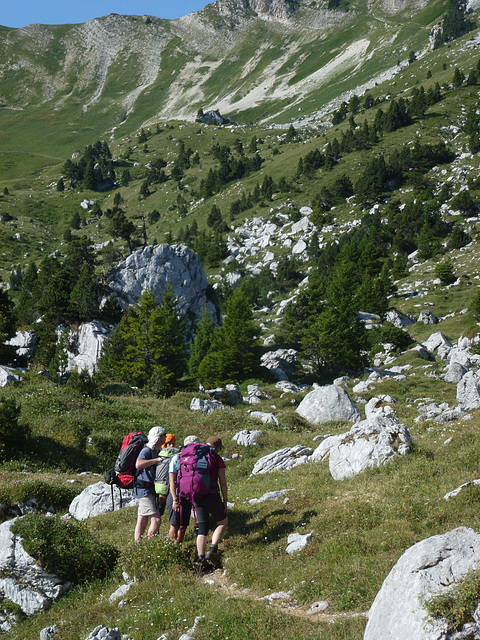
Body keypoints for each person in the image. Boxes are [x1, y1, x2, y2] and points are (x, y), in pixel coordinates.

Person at [171, 435, 228, 569]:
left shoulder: (190, 456)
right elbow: (223, 481)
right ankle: (212, 549)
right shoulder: (215, 457)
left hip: (194, 494)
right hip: (211, 493)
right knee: (222, 521)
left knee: (202, 528)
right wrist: (225, 500)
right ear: (218, 448)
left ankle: (201, 558)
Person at [133, 426, 166, 542]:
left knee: (142, 520)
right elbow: (138, 464)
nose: (166, 437)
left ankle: (137, 546)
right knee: (156, 520)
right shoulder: (147, 450)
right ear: (159, 437)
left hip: (147, 489)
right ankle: (149, 546)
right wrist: (156, 460)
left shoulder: (156, 450)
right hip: (144, 490)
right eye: (164, 435)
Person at [167, 435, 199, 543]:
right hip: (181, 495)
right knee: (178, 525)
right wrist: (175, 500)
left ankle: (176, 548)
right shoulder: (197, 458)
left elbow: (171, 480)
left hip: (180, 495)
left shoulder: (176, 458)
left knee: (180, 525)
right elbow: (172, 481)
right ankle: (173, 548)